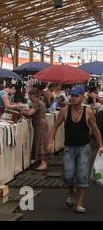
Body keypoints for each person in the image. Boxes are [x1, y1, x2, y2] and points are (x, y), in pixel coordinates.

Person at [48, 85, 103, 214]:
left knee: (82, 175)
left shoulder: (88, 112)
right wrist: (50, 141)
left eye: (76, 96)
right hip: (69, 148)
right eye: (72, 95)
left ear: (82, 97)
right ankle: (71, 191)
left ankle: (79, 204)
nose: (73, 98)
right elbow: (55, 126)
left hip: (84, 148)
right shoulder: (64, 111)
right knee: (68, 175)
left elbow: (95, 130)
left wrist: (100, 145)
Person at [21, 89, 49, 171]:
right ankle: (42, 161)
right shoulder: (40, 102)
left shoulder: (37, 103)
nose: (30, 98)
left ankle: (43, 163)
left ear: (34, 96)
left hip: (40, 125)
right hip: (41, 124)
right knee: (41, 142)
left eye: (30, 96)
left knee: (41, 143)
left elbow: (30, 113)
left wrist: (22, 112)